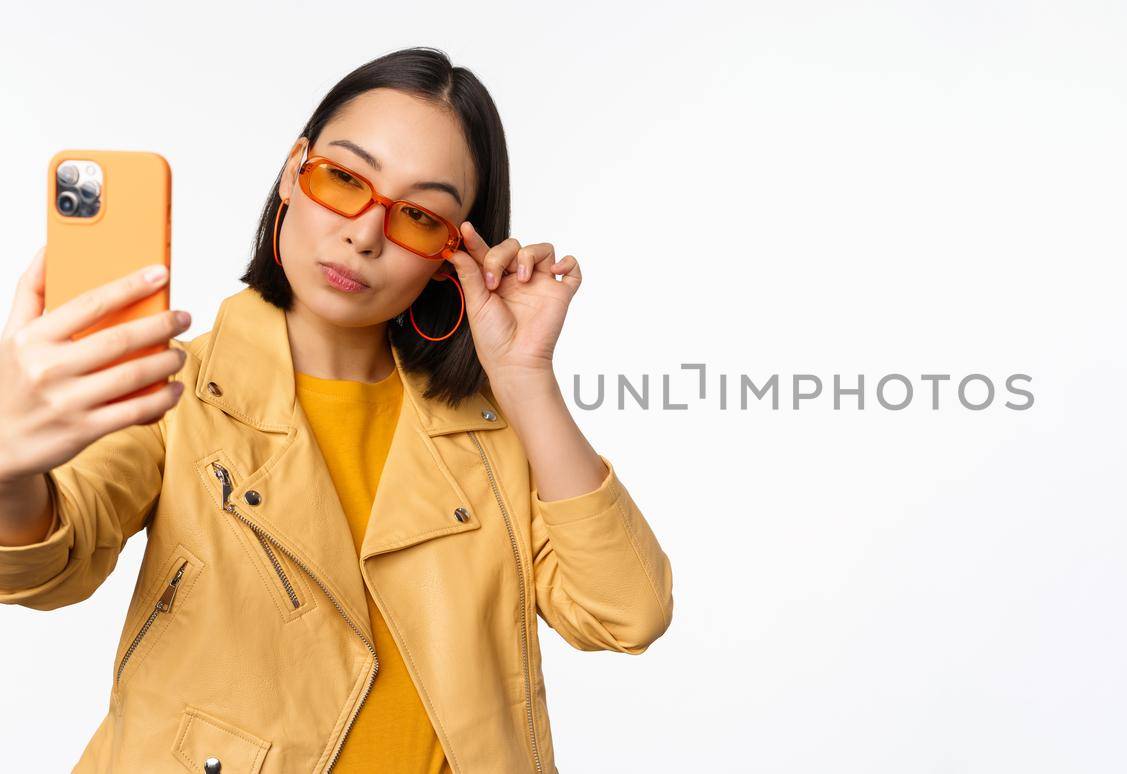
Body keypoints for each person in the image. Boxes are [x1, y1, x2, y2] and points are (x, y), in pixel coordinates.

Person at [0, 47, 673, 773]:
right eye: (344, 180)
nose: (364, 234)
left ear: (454, 251)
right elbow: (48, 565)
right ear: (295, 171)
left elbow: (626, 611)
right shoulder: (175, 388)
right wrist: (9, 466)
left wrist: (526, 377)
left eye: (418, 216)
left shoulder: (489, 428)